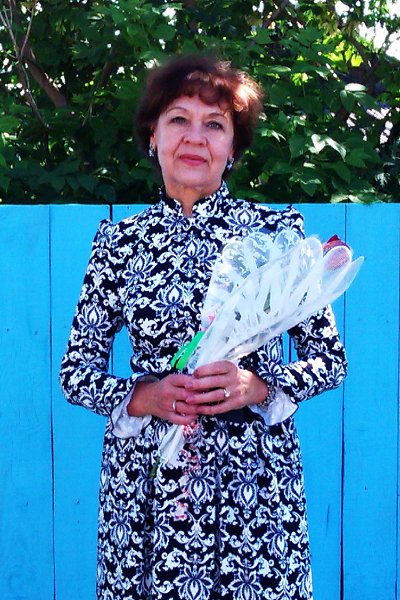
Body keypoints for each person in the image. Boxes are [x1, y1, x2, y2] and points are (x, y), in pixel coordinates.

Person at [59, 54, 347, 600]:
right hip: (148, 488)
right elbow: (76, 372)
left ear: (233, 147)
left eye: (214, 124)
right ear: (153, 136)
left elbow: (331, 361)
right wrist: (144, 396)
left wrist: (258, 387)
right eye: (179, 119)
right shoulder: (119, 244)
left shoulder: (277, 236)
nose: (195, 138)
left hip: (253, 490)